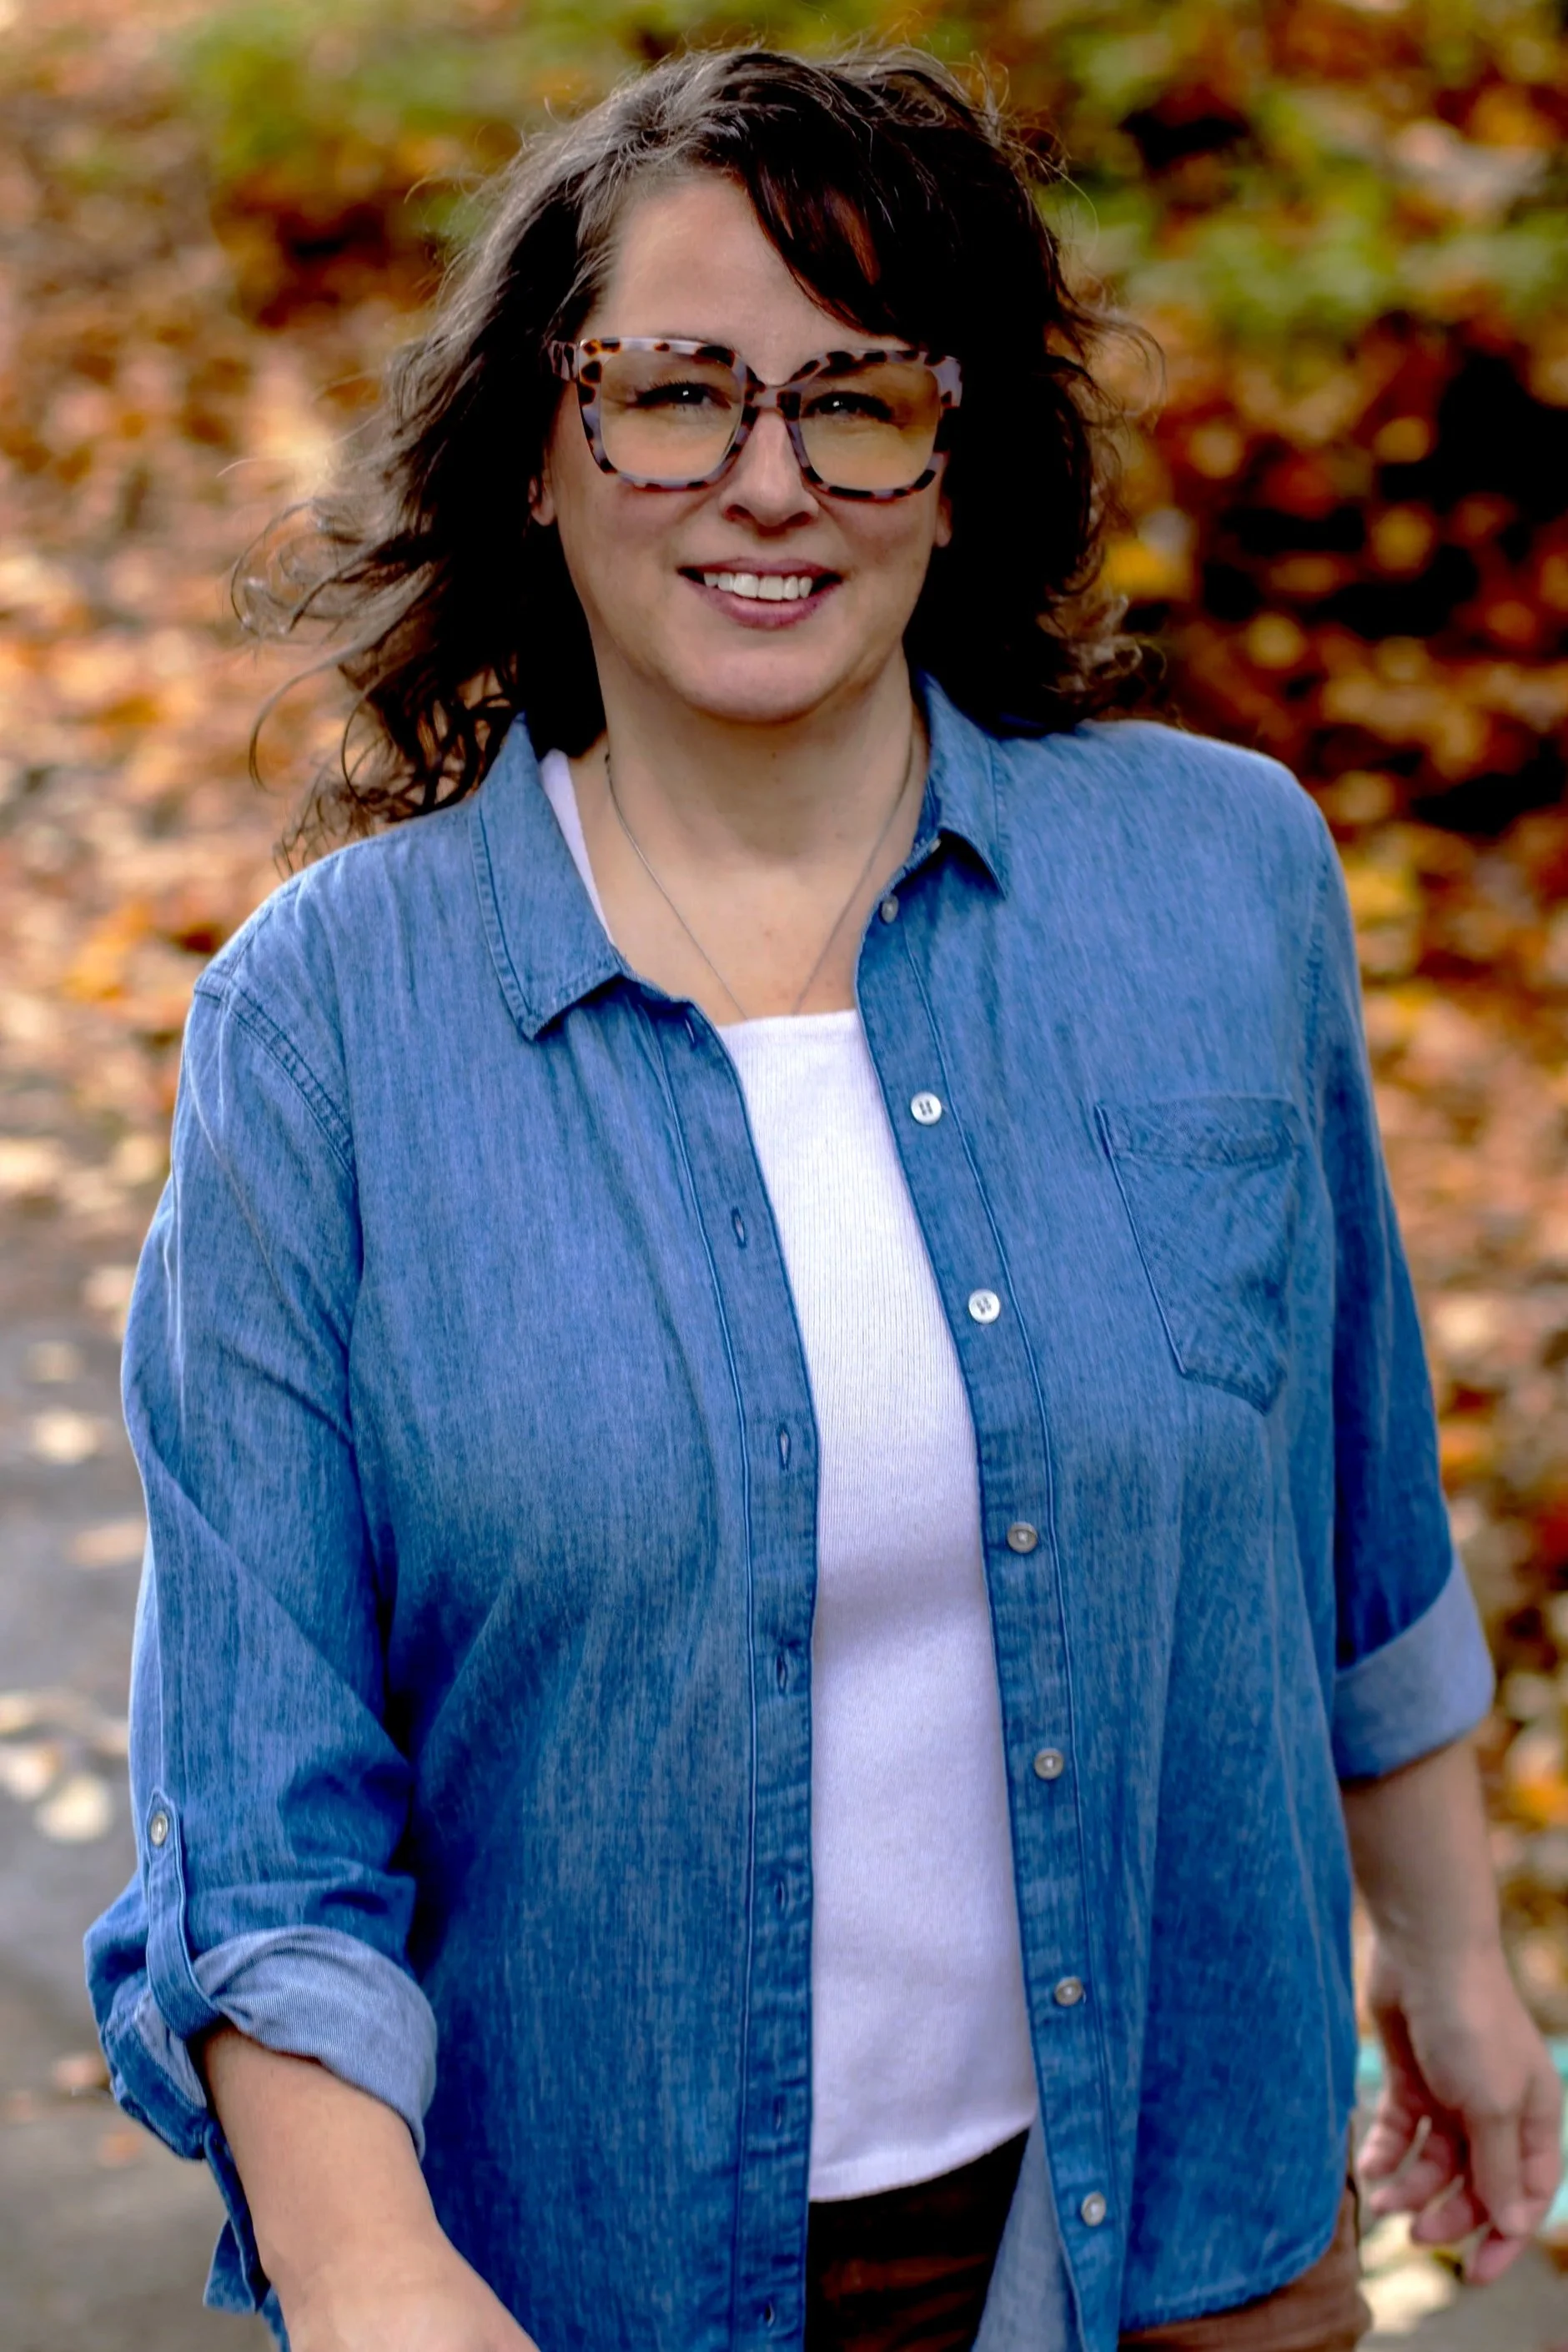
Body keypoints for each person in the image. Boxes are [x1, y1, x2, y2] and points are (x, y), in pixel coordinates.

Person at [86, 44, 1560, 2352]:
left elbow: (1354, 1516)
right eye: (673, 392)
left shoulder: (1219, 883)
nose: (764, 480)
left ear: (958, 466)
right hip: (575, 2284)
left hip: (1185, 2235)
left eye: (854, 399)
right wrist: (376, 2274)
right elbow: (258, 1812)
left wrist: (1458, 1966)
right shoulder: (327, 1032)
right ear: (542, 453)